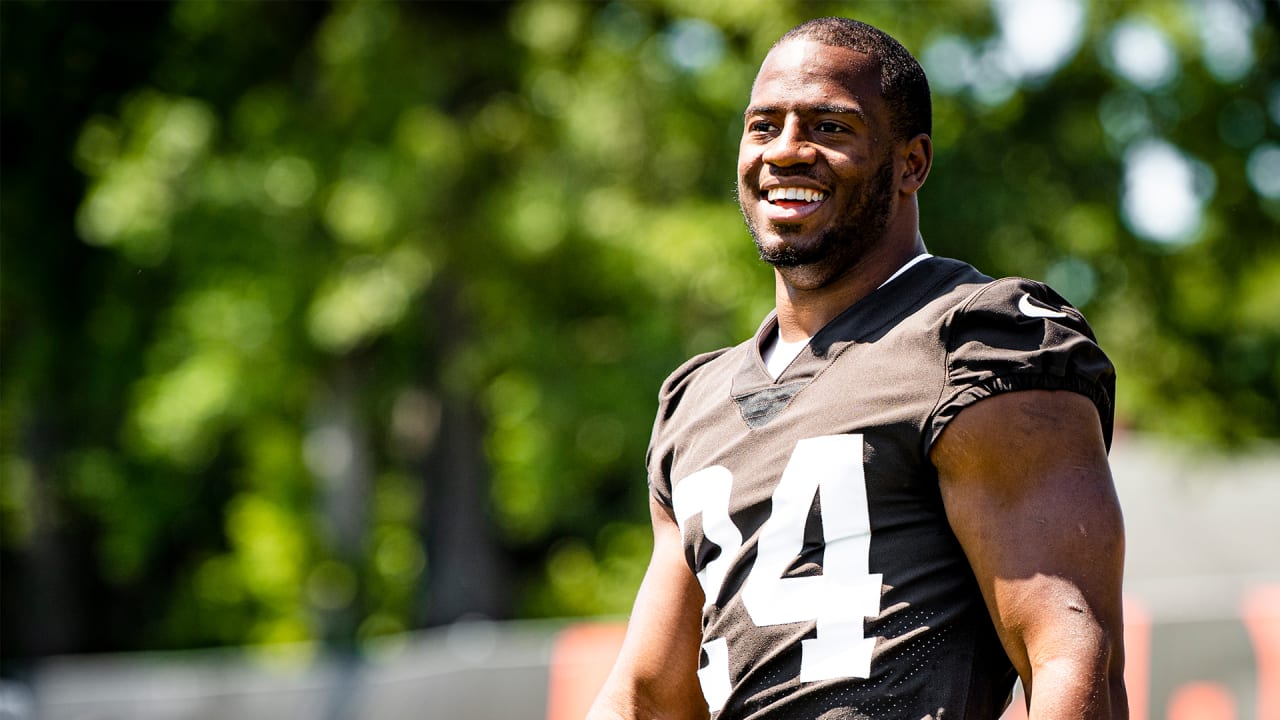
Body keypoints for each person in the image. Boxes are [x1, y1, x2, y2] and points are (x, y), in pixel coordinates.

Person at [586, 16, 1127, 720]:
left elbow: (1073, 657)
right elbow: (650, 697)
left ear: (912, 164)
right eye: (763, 126)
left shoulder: (978, 340)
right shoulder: (697, 400)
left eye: (829, 128)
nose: (786, 152)